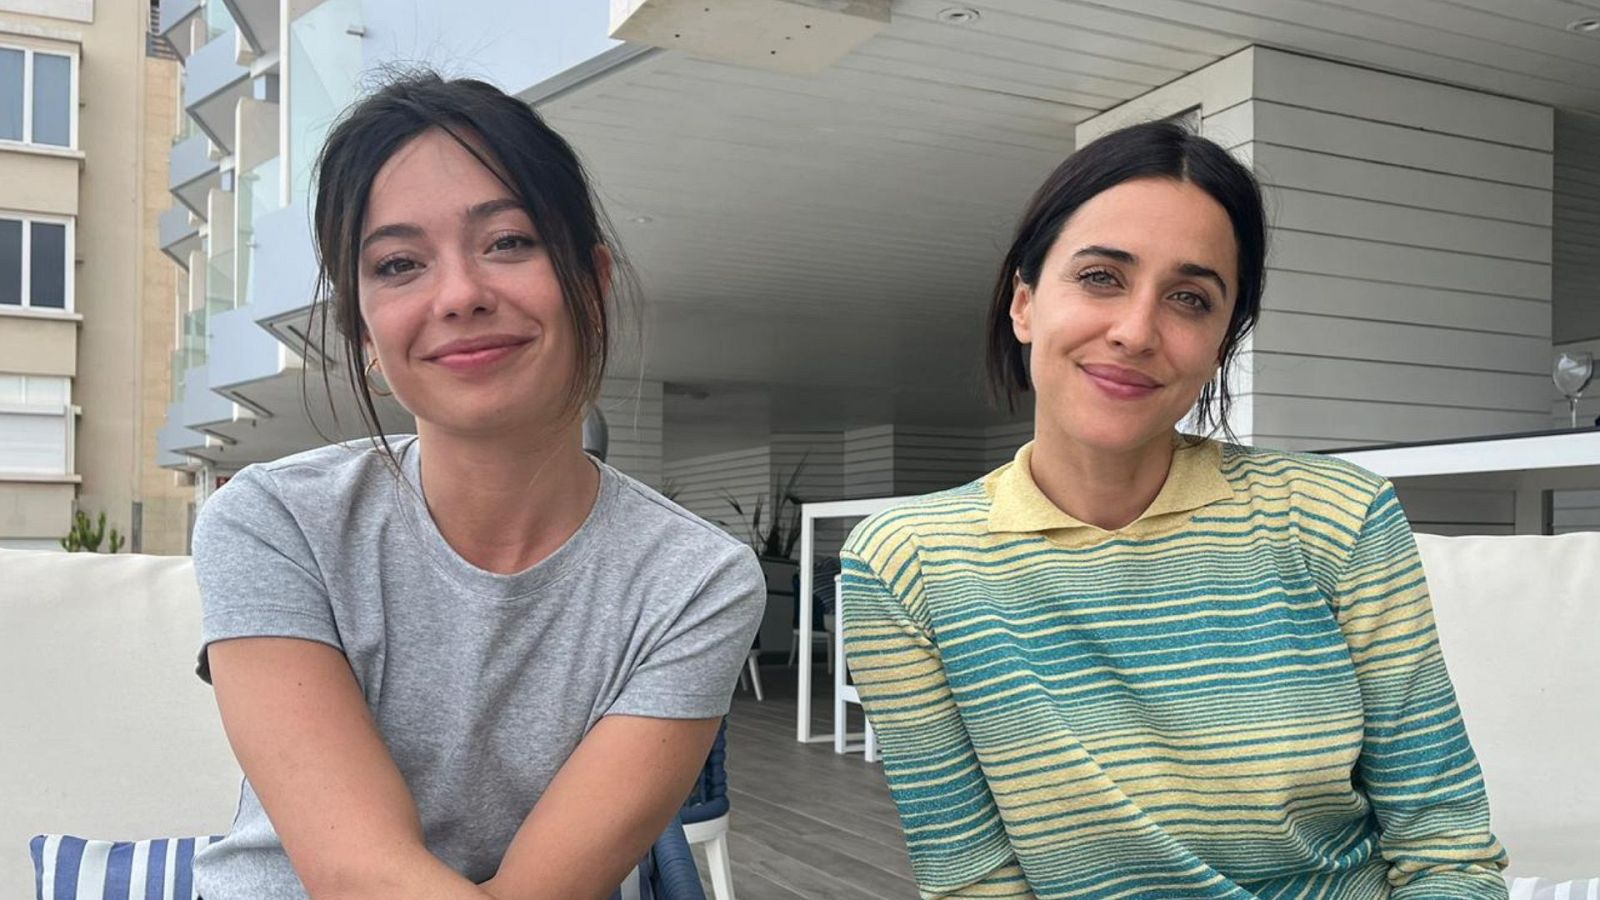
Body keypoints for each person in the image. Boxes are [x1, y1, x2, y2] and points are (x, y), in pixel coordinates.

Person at [840, 120, 1508, 899]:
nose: (1135, 332)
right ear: (1024, 304)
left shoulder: (1338, 518)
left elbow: (1445, 851)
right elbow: (973, 882)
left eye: (1190, 299)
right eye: (1100, 277)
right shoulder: (907, 567)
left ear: (1222, 342)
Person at [190, 73, 765, 899]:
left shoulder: (695, 582)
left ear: (593, 283)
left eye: (509, 242)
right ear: (363, 332)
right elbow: (356, 873)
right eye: (398, 264)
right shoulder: (274, 521)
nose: (460, 295)